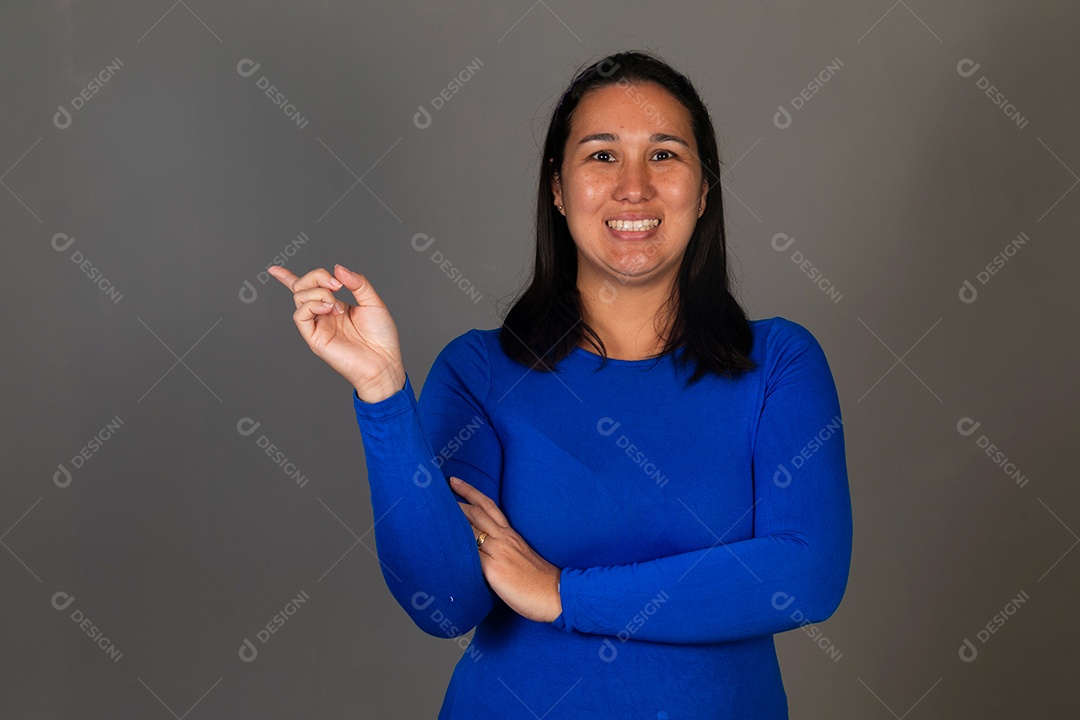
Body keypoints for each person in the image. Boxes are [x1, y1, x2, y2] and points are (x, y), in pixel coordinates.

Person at [267, 50, 852, 719]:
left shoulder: (778, 362)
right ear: (557, 186)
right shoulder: (481, 371)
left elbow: (805, 577)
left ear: (706, 186)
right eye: (601, 155)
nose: (634, 185)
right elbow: (445, 602)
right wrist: (382, 393)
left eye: (664, 154)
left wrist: (563, 593)